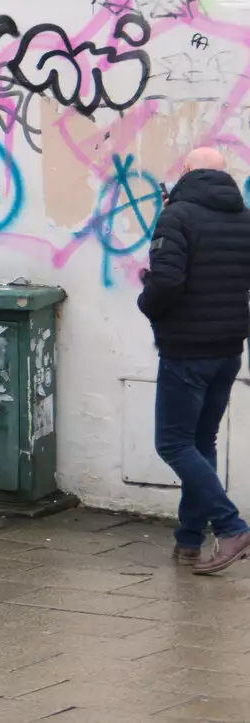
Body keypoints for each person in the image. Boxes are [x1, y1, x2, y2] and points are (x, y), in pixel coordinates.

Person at [138, 146, 250, 575]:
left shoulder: (177, 217)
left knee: (173, 443)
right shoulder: (242, 216)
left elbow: (166, 282)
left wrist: (146, 301)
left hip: (187, 348)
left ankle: (231, 525)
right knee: (201, 442)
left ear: (185, 171)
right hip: (228, 347)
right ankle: (188, 540)